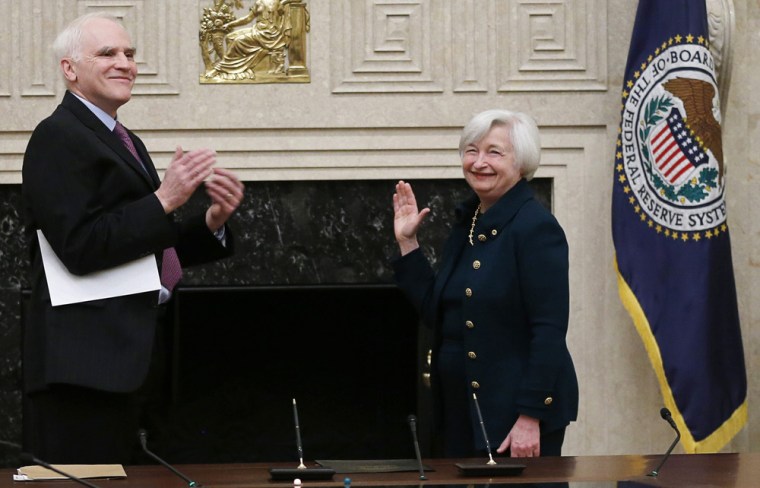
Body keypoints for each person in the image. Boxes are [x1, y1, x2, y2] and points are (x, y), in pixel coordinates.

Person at [21, 12, 244, 464]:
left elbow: (142, 246)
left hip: (128, 362)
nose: (125, 63)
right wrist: (163, 199)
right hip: (83, 372)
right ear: (70, 69)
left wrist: (211, 223)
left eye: (130, 53)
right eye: (107, 53)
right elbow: (81, 247)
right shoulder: (57, 136)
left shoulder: (123, 139)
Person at [392, 110, 578, 464]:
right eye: (471, 150)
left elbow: (549, 331)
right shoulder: (471, 220)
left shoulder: (536, 228)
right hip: (461, 410)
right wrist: (408, 243)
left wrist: (530, 415)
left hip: (515, 414)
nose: (479, 162)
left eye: (494, 152)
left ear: (521, 163)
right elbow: (437, 310)